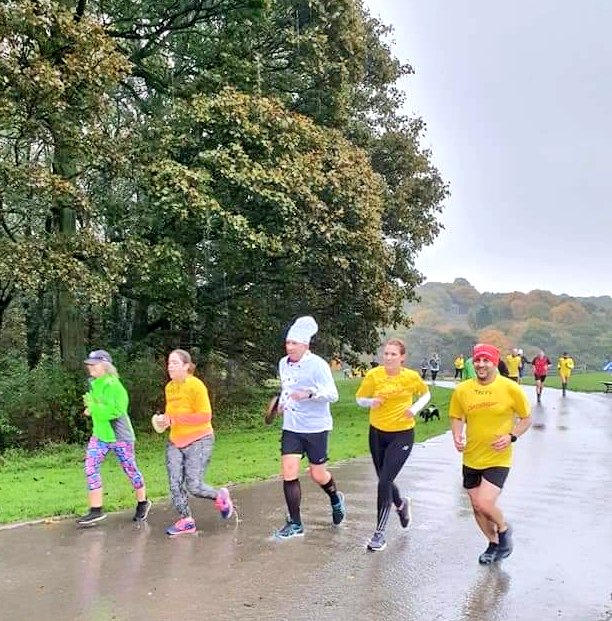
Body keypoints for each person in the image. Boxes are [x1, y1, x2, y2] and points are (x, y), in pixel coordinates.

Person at [449, 343, 532, 564]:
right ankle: (493, 542)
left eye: (486, 360)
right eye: (478, 360)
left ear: (495, 362)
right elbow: (457, 416)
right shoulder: (463, 390)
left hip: (498, 456)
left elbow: (526, 418)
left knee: (485, 503)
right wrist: (457, 435)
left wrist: (511, 436)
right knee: (476, 507)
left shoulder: (510, 388)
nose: (481, 364)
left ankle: (504, 530)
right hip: (472, 456)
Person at [274, 316, 346, 539]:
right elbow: (287, 390)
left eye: (294, 343)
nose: (290, 347)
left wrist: (310, 393)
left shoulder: (318, 365)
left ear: (306, 345)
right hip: (292, 426)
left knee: (318, 474)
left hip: (316, 427)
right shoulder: (283, 363)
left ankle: (335, 498)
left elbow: (333, 395)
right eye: (288, 343)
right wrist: (281, 404)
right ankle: (295, 523)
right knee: (288, 471)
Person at [355, 339, 431, 551]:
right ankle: (401, 504)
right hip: (377, 433)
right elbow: (359, 398)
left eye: (393, 354)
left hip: (402, 434)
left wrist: (414, 409)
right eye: (386, 354)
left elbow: (426, 394)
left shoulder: (411, 377)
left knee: (384, 481)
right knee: (384, 479)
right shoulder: (374, 375)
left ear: (402, 358)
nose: (388, 358)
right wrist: (372, 402)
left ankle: (379, 533)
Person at [157, 349, 233, 536]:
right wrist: (163, 420)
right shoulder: (170, 387)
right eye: (169, 363)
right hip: (175, 440)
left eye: (175, 363)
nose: (170, 367)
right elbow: (172, 414)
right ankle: (186, 520)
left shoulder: (196, 386)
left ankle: (220, 496)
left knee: (194, 486)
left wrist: (176, 419)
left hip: (199, 439)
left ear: (186, 366)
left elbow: (205, 415)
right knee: (175, 483)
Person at [77, 350, 151, 526]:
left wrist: (94, 408)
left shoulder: (115, 386)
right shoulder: (94, 384)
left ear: (105, 366)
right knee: (90, 467)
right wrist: (90, 407)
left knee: (130, 469)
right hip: (100, 435)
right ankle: (96, 510)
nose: (89, 367)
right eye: (89, 364)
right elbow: (96, 405)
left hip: (120, 436)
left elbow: (116, 411)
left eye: (94, 364)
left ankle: (143, 502)